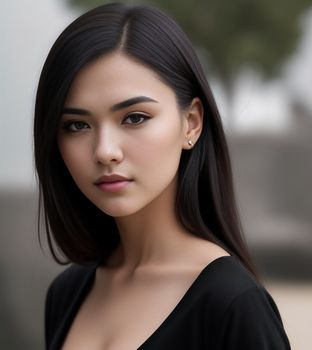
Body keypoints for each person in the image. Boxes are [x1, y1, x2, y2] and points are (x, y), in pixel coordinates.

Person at [34, 2, 291, 349]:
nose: (105, 151)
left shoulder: (233, 304)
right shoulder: (67, 293)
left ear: (192, 123)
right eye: (77, 125)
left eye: (135, 117)